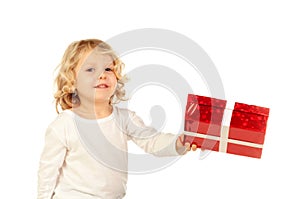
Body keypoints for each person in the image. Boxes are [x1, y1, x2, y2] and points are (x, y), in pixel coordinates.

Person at [37, 39, 197, 199]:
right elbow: (48, 171)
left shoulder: (124, 119)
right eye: (90, 69)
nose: (102, 75)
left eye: (108, 68)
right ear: (72, 80)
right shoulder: (64, 124)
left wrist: (178, 143)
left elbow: (152, 141)